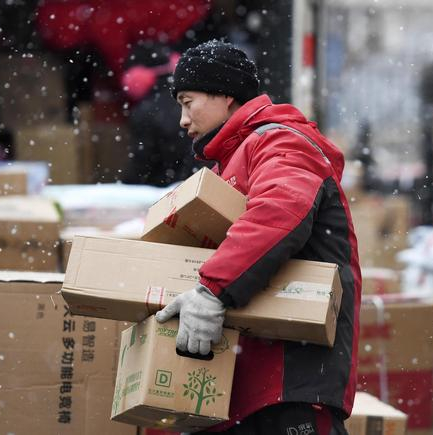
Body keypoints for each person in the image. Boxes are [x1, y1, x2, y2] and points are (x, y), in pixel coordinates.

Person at [155, 40, 362, 435]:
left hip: (288, 385)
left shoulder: (280, 141)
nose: (182, 120)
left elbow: (278, 213)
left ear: (225, 95)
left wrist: (211, 291)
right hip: (243, 390)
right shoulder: (230, 163)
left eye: (187, 102)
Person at [122, 42, 203, 186]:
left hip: (165, 189)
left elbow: (142, 164)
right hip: (197, 182)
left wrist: (124, 187)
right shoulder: (192, 98)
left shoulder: (146, 111)